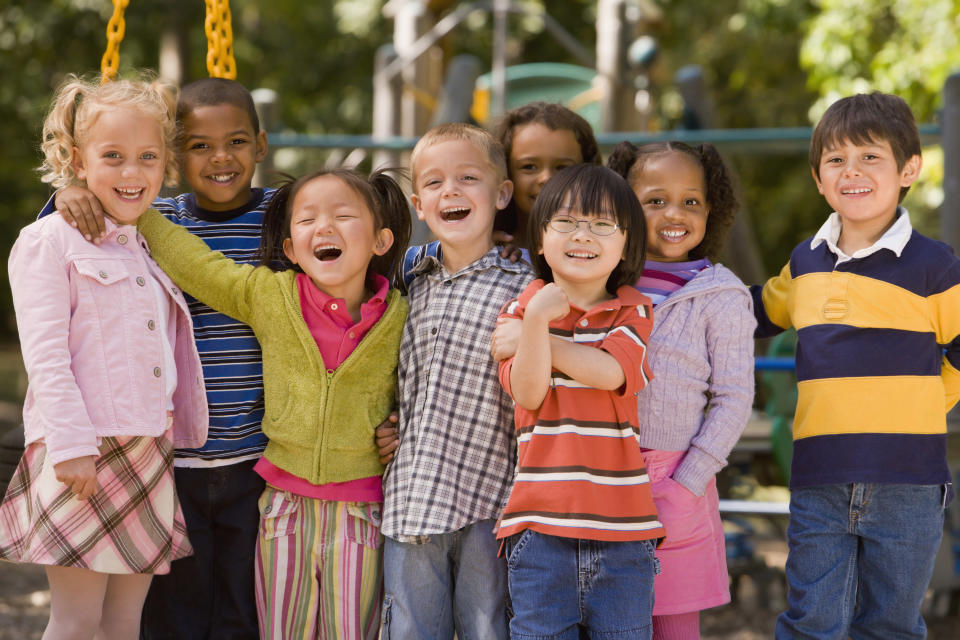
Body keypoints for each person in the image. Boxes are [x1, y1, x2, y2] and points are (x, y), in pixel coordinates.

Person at [134, 167, 412, 640]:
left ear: (380, 241)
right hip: (283, 508)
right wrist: (135, 211)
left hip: (362, 513)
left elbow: (423, 387)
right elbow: (198, 265)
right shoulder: (270, 296)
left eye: (343, 215)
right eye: (306, 220)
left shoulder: (404, 314)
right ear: (290, 250)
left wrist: (398, 421)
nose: (324, 227)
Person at [44, 77, 272, 640]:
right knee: (171, 612)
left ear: (260, 146)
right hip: (171, 461)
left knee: (245, 607)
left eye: (237, 142)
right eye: (199, 145)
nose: (220, 158)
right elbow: (91, 219)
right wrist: (66, 194)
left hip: (255, 456)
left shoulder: (281, 217)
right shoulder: (155, 218)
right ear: (177, 157)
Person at [0, 74, 208, 639]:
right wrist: (70, 446)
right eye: (112, 156)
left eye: (147, 157)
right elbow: (44, 356)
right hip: (82, 453)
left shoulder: (148, 243)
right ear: (76, 158)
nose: (132, 173)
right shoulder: (47, 242)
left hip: (147, 451)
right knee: (76, 620)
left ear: (165, 163)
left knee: (123, 621)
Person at [753, 92, 960, 639]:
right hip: (820, 477)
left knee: (890, 624)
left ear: (908, 168)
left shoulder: (936, 268)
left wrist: (926, 401)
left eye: (870, 156)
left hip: (909, 482)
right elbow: (755, 314)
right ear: (819, 178)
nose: (852, 171)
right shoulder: (804, 263)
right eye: (836, 160)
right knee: (811, 621)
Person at [493, 164, 664, 639]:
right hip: (539, 531)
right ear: (541, 240)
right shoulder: (521, 310)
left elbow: (612, 373)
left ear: (626, 245)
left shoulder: (633, 309)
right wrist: (534, 323)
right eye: (566, 222)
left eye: (602, 224)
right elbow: (528, 393)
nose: (582, 234)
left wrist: (545, 341)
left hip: (625, 535)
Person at [379, 122, 535, 640]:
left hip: (493, 492)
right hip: (414, 488)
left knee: (488, 625)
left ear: (501, 194)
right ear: (419, 205)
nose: (451, 191)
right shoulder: (408, 276)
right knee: (410, 628)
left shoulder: (527, 282)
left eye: (468, 177)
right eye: (435, 183)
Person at [607, 141, 756, 639]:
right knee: (608, 617)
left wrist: (688, 480)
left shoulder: (721, 294)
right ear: (625, 205)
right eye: (655, 200)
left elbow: (734, 397)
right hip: (599, 469)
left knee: (671, 623)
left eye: (690, 201)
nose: (675, 213)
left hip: (675, 476)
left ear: (710, 209)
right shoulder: (602, 281)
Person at [492, 101, 601, 248]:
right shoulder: (486, 251)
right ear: (505, 173)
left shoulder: (605, 250)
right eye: (529, 166)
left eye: (562, 168)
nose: (547, 178)